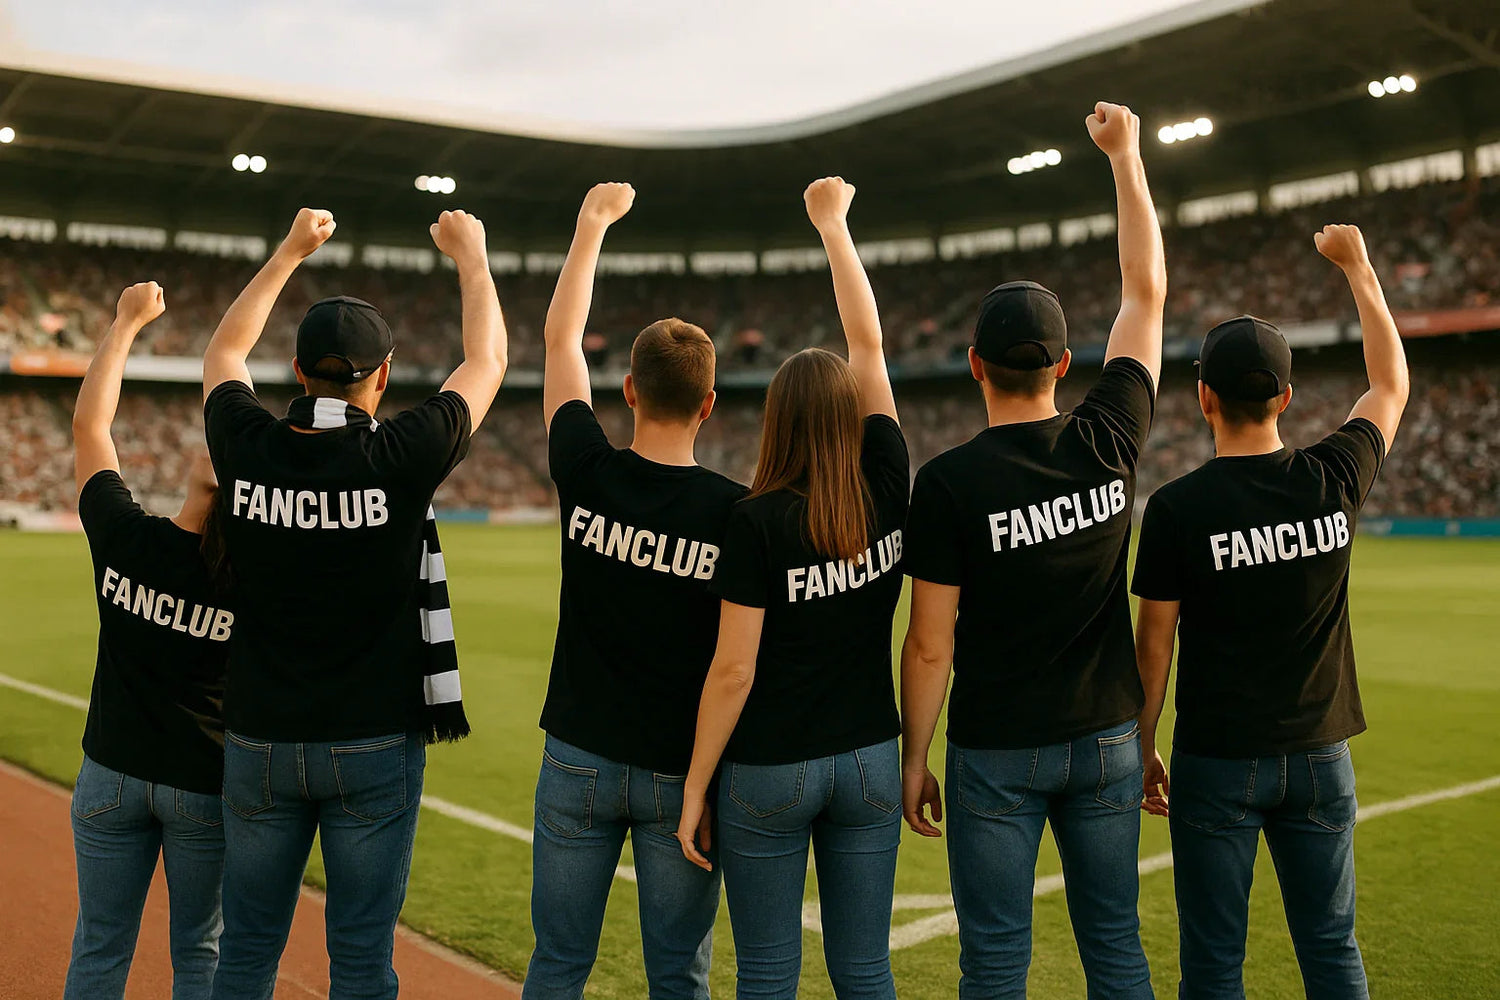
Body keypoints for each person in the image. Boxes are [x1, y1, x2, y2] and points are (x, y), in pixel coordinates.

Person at [200, 207, 508, 999]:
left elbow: (224, 352)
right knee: (363, 960)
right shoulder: (402, 453)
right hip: (373, 739)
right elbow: (487, 359)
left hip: (260, 736)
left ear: (297, 372)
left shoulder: (245, 444)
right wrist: (471, 257)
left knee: (245, 951)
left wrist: (289, 252)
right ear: (383, 375)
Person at [898, 101, 1165, 999]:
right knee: (1115, 945)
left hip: (996, 748)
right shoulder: (1109, 435)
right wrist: (1125, 157)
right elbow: (1145, 294)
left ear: (975, 365)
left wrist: (914, 755)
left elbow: (929, 643)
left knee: (994, 959)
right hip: (1107, 737)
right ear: (1063, 364)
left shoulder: (946, 483)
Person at [1131, 225, 1407, 1000]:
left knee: (1214, 960)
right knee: (1331, 946)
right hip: (1322, 753)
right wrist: (1359, 268)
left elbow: (1154, 647)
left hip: (1218, 759)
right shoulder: (1334, 476)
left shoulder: (1178, 509)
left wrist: (1143, 744)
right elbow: (1390, 384)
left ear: (1204, 398)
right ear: (1285, 397)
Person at [676, 176, 908, 999]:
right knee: (866, 970)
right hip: (871, 758)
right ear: (850, 417)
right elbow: (868, 347)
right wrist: (835, 227)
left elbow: (734, 669)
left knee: (768, 974)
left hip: (771, 767)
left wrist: (696, 784)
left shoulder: (756, 519)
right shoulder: (888, 482)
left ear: (774, 418)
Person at [524, 182, 746, 1000]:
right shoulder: (736, 513)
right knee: (679, 977)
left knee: (557, 964)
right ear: (710, 406)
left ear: (628, 390)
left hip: (576, 755)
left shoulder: (585, 467)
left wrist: (591, 225)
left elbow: (560, 341)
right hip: (680, 772)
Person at [65, 281, 232, 1000]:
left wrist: (125, 323)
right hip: (204, 786)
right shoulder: (257, 584)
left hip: (110, 772)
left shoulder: (127, 540)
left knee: (101, 944)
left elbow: (90, 429)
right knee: (200, 950)